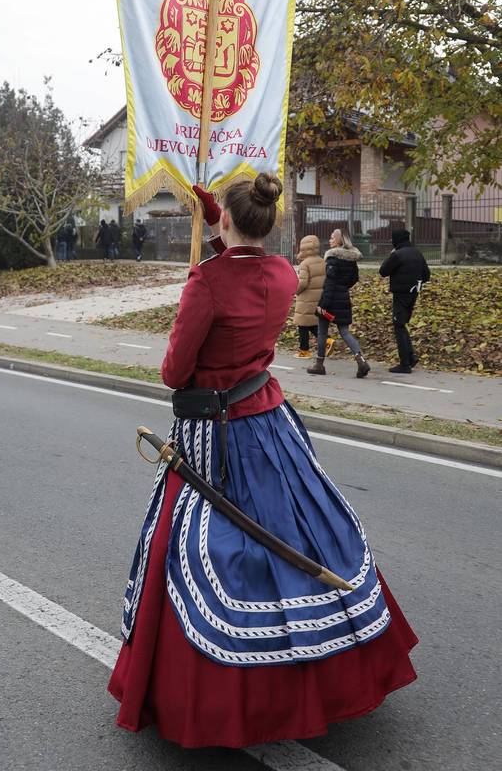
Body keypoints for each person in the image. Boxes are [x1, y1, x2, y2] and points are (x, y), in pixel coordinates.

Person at [108, 174, 417, 748]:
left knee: (199, 547)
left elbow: (174, 372)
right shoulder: (281, 272)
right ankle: (323, 660)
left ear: (226, 221)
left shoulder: (205, 282)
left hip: (213, 431)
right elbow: (244, 264)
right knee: (303, 525)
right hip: (270, 420)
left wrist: (202, 276)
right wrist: (219, 220)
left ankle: (217, 691)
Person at [307, 227, 370, 378]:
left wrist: (323, 305)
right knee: (345, 332)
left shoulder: (332, 258)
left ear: (338, 240)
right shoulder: (351, 258)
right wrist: (343, 287)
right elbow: (354, 278)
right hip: (343, 297)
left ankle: (319, 364)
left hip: (330, 299)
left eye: (332, 238)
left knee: (322, 332)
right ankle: (361, 361)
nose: (329, 240)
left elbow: (330, 283)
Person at [380, 229, 431, 374]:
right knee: (402, 325)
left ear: (396, 240)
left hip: (400, 294)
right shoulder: (417, 253)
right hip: (413, 293)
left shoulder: (397, 255)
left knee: (399, 326)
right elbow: (427, 275)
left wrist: (391, 256)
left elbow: (383, 271)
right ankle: (411, 357)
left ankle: (405, 364)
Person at [293, 234, 325, 359]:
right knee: (312, 323)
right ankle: (327, 341)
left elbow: (303, 283)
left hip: (306, 299)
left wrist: (296, 291)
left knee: (302, 325)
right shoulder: (322, 261)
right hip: (318, 297)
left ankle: (304, 350)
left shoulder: (305, 264)